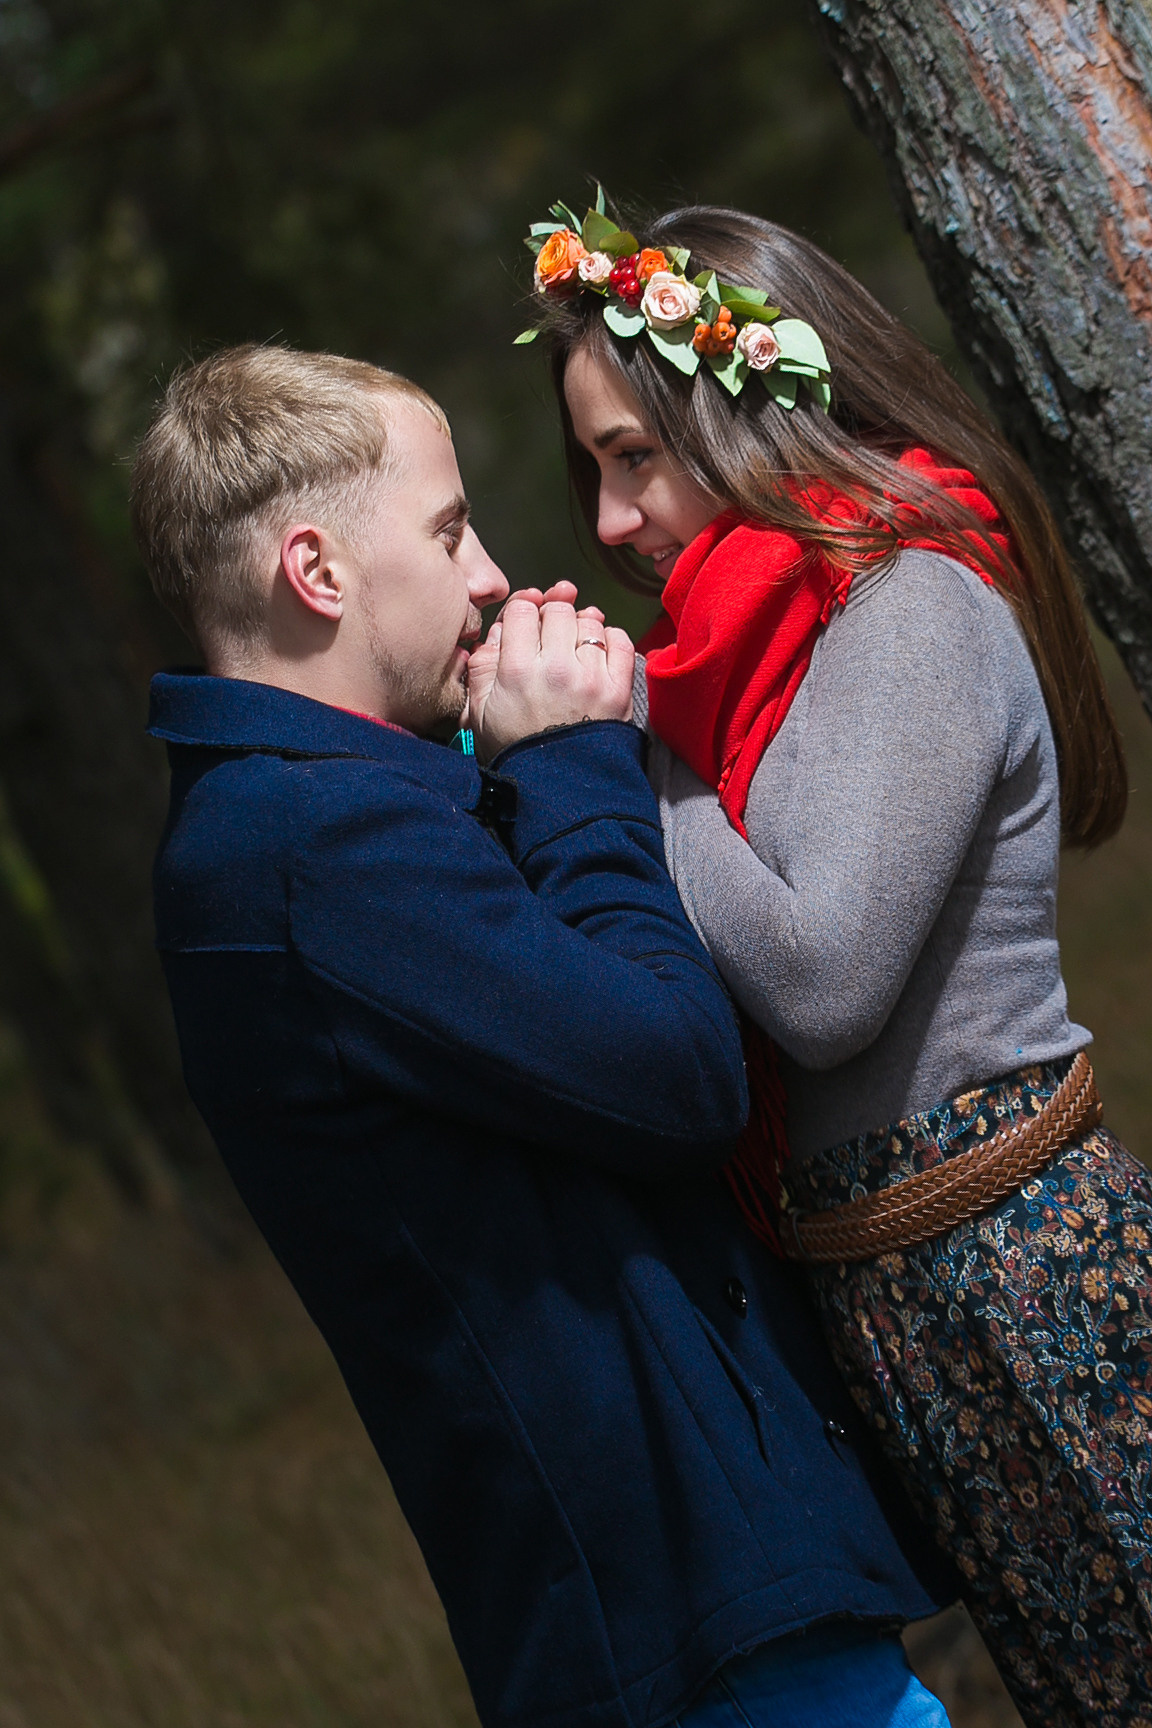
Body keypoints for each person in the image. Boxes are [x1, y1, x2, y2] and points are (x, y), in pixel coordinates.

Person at [131, 344, 957, 1728]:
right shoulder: (307, 848)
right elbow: (673, 1075)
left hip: (709, 1607)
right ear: (318, 573)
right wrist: (573, 766)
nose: (491, 576)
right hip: (694, 1635)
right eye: (449, 531)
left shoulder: (322, 815)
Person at [527, 197, 1152, 1728]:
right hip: (905, 1297)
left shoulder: (914, 602)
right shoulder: (765, 654)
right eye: (593, 468)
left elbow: (821, 984)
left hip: (1025, 1269)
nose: (610, 524)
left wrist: (623, 763)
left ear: (743, 411)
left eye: (633, 457)